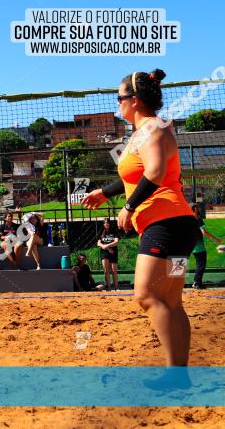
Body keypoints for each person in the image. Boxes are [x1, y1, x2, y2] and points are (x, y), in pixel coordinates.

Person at [83, 69, 201, 370]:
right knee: (172, 302)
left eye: (119, 98)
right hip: (175, 226)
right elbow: (137, 174)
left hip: (166, 226)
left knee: (146, 295)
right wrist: (106, 193)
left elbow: (156, 171)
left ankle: (176, 374)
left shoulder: (153, 128)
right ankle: (179, 375)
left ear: (133, 101)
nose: (117, 104)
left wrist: (130, 207)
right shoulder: (143, 132)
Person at [189, 203, 222, 289]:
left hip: (192, 245)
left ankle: (196, 282)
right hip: (199, 245)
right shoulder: (198, 219)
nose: (200, 209)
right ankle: (197, 283)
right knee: (201, 265)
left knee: (199, 264)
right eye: (198, 208)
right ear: (195, 209)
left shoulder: (190, 219)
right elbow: (204, 232)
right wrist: (216, 239)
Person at [97, 218, 120, 290]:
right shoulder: (101, 232)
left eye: (107, 223)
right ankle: (109, 287)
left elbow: (116, 242)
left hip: (113, 252)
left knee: (114, 270)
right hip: (104, 252)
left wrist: (107, 246)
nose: (106, 224)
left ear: (110, 224)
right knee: (106, 270)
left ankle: (116, 287)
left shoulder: (114, 232)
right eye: (105, 223)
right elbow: (98, 243)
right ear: (103, 224)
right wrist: (106, 248)